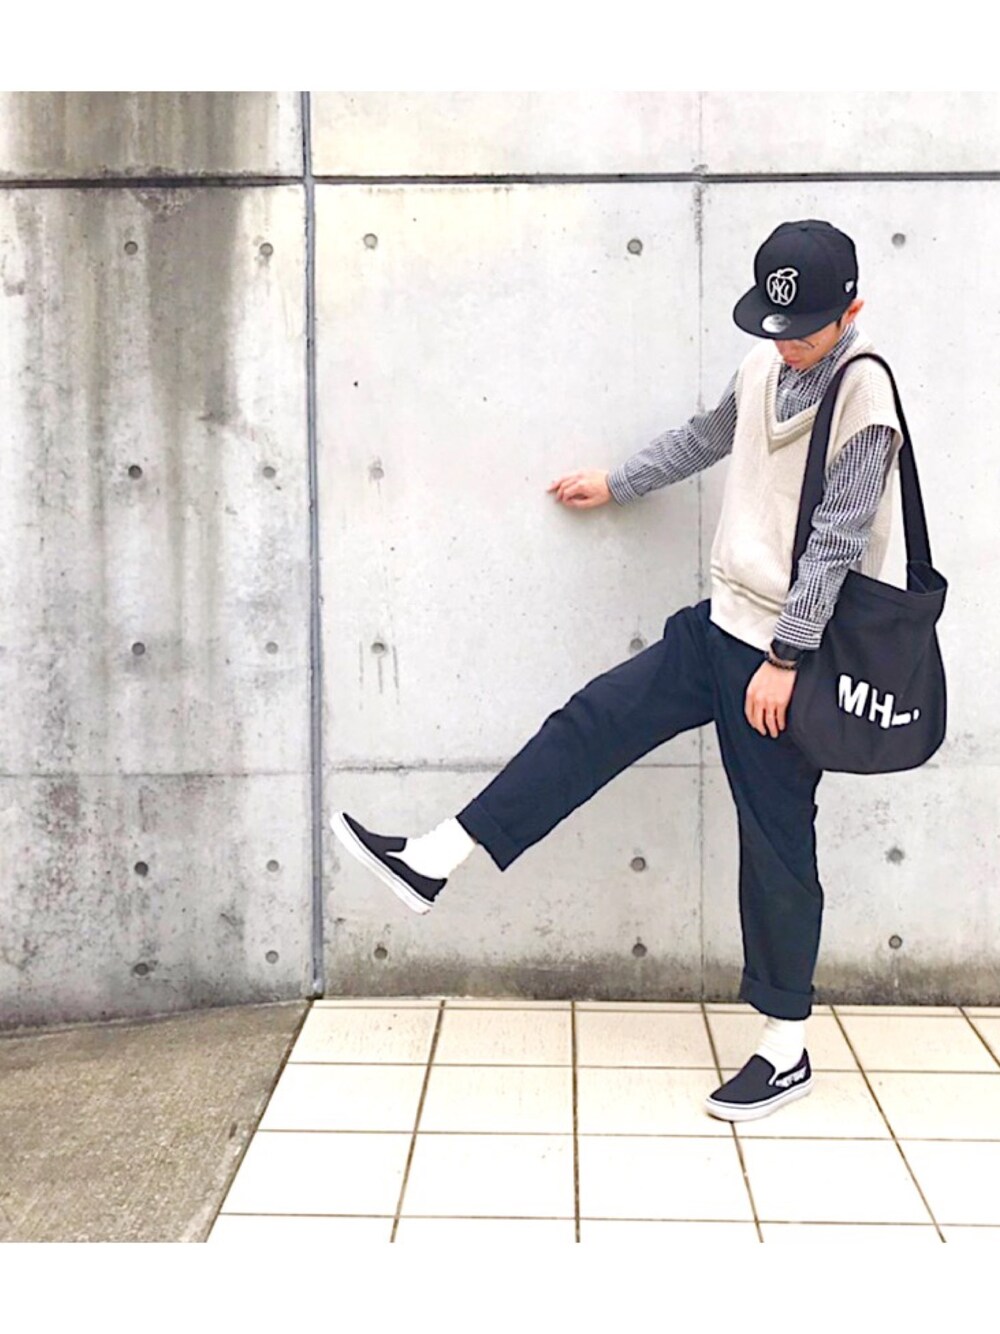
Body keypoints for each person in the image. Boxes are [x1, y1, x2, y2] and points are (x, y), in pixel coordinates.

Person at [331, 219, 903, 1122]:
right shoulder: (764, 364)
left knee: (776, 843)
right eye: (775, 324)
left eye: (805, 329)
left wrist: (787, 657)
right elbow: (710, 435)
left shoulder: (866, 398)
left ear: (852, 310)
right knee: (595, 721)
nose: (787, 342)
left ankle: (785, 1045)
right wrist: (620, 481)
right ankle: (436, 858)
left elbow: (838, 540)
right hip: (720, 627)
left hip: (788, 659)